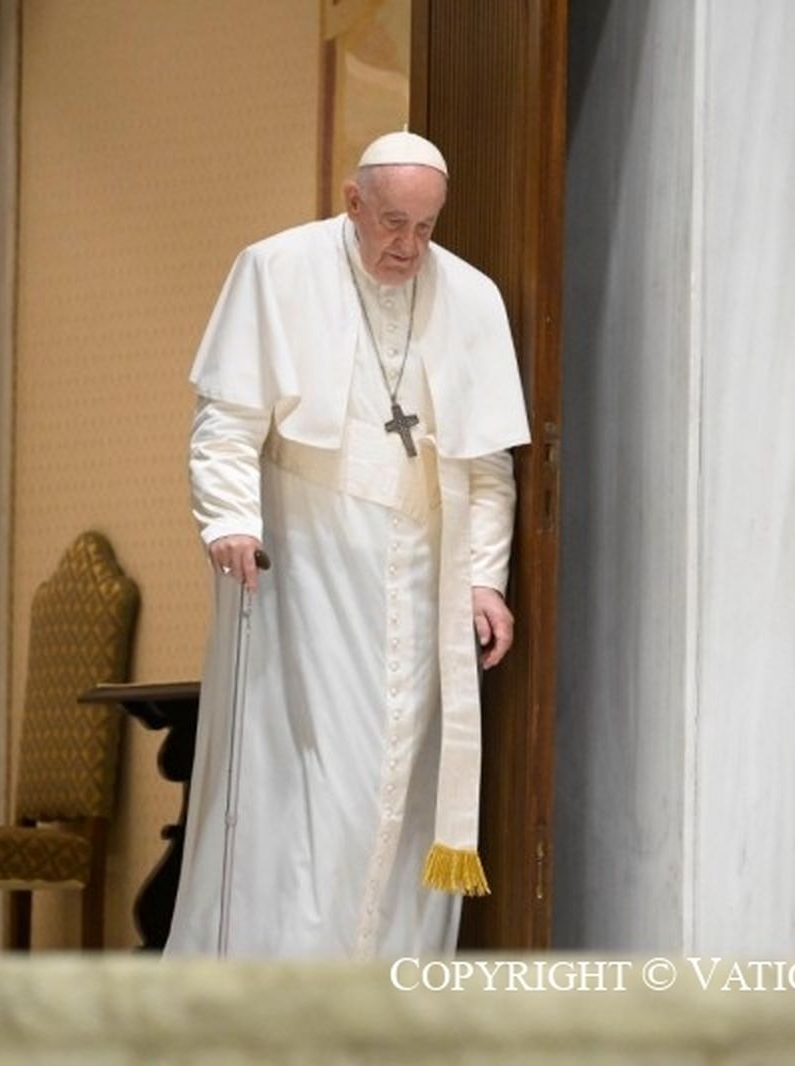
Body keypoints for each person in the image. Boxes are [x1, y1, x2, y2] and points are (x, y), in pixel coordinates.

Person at [165, 132, 529, 959]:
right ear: (351, 200)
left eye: (426, 229)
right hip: (311, 557)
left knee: (403, 788)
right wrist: (229, 520)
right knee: (321, 785)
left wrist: (483, 578)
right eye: (392, 223)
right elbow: (225, 422)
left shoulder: (471, 298)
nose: (408, 246)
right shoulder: (276, 270)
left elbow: (487, 463)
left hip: (425, 570)